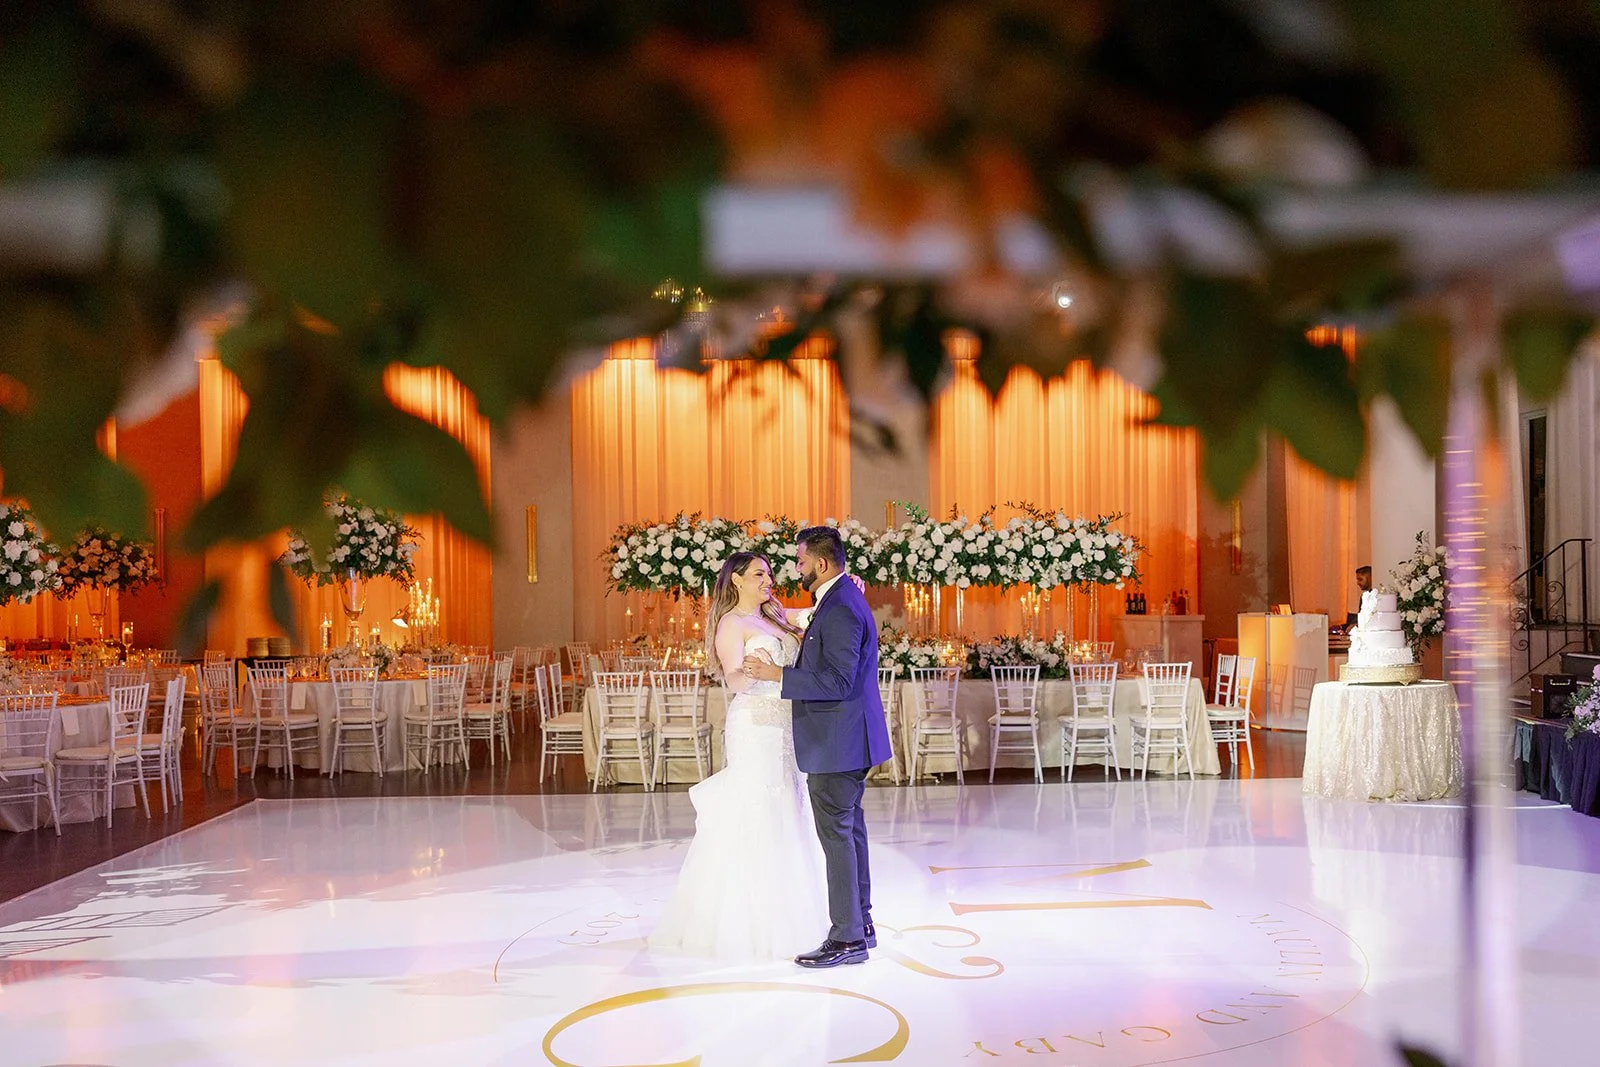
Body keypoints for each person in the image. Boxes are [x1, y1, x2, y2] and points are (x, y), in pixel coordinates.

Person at [648, 552, 828, 962]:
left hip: (786, 726)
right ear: (737, 580)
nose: (768, 580)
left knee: (788, 808)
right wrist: (750, 671)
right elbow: (732, 679)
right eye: (759, 574)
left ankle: (792, 914)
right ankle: (748, 924)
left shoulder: (775, 616)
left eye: (769, 573)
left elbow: (812, 612)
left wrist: (846, 588)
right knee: (757, 810)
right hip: (755, 726)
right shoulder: (732, 624)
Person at [742, 526, 893, 968]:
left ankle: (847, 938)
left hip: (838, 741)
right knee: (849, 832)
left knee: (838, 838)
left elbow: (839, 681)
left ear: (821, 564)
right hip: (843, 740)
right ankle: (860, 923)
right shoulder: (839, 598)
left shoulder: (841, 606)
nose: (797, 569)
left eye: (801, 561)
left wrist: (778, 676)